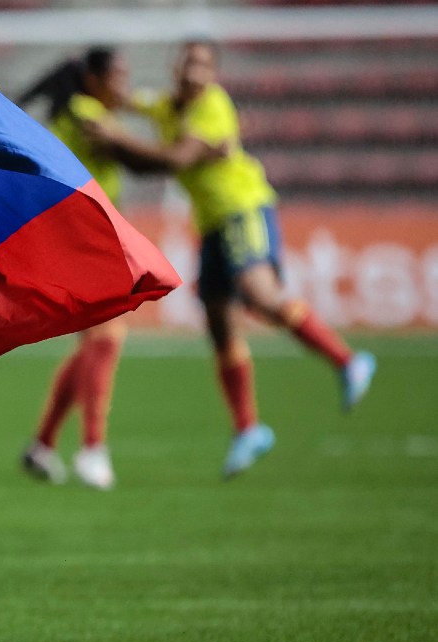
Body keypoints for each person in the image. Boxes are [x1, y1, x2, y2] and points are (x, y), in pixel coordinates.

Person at [84, 39, 376, 478]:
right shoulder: (166, 106)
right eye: (190, 62)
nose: (196, 72)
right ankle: (248, 428)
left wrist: (118, 138)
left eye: (205, 65)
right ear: (176, 65)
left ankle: (347, 361)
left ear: (214, 74)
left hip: (242, 209)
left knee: (260, 295)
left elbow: (174, 158)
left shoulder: (212, 109)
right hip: (211, 226)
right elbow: (127, 100)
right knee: (220, 326)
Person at [15, 47, 144, 490]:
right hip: (91, 235)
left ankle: (43, 445)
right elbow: (136, 157)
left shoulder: (71, 110)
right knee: (106, 340)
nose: (125, 83)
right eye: (120, 74)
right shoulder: (88, 113)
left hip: (81, 233)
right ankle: (92, 448)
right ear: (93, 79)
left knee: (93, 343)